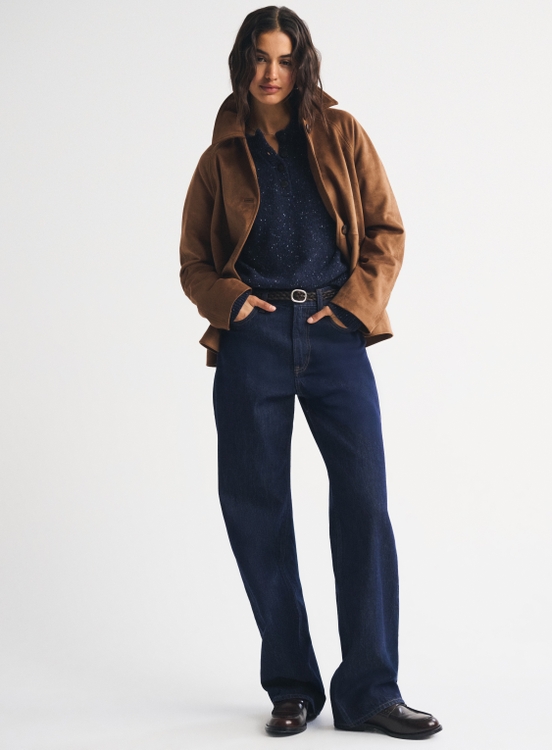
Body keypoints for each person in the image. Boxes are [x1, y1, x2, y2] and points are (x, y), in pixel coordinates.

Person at [179, 5, 441, 740]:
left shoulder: (341, 134)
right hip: (252, 342)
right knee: (257, 511)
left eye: (286, 59)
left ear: (303, 64)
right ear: (244, 62)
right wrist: (236, 307)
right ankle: (292, 685)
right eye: (261, 58)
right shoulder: (219, 158)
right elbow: (193, 263)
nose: (273, 73)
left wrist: (355, 310)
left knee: (363, 504)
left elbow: (385, 230)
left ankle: (369, 692)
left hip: (334, 333)